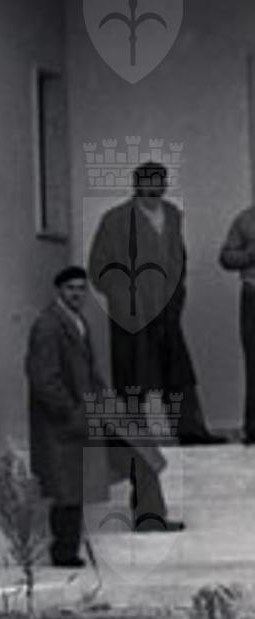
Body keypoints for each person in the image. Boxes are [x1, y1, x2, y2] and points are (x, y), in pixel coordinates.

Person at [25, 265, 182, 566]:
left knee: (140, 452)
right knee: (68, 487)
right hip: (65, 422)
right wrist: (71, 413)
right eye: (70, 289)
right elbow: (44, 379)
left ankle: (150, 516)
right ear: (58, 291)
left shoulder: (77, 321)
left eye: (81, 289)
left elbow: (90, 373)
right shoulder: (47, 326)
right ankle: (64, 552)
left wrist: (108, 406)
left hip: (94, 412)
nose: (77, 294)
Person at [89, 161, 215, 444]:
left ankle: (191, 431)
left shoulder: (172, 215)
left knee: (178, 371)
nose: (154, 188)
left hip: (167, 308)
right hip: (131, 312)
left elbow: (179, 258)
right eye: (148, 182)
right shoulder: (115, 219)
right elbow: (98, 267)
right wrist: (124, 297)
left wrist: (177, 294)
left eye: (160, 182)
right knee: (131, 373)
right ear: (136, 184)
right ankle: (134, 436)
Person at [219, 198, 255, 444]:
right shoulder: (246, 219)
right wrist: (250, 254)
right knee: (254, 364)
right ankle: (254, 430)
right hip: (254, 296)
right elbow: (226, 258)